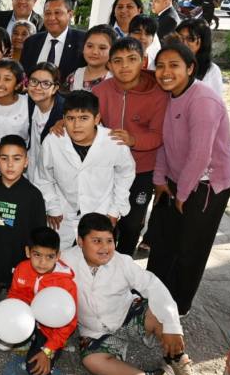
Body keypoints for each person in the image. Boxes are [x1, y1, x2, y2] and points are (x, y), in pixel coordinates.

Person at [147, 43, 230, 317]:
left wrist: (183, 194)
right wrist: (160, 179)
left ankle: (177, 307)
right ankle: (150, 296)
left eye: (174, 65)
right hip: (176, 180)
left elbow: (200, 155)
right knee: (163, 242)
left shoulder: (203, 100)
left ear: (190, 68)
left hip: (206, 185)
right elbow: (163, 141)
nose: (165, 72)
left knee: (190, 249)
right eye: (160, 66)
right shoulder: (168, 95)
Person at [62, 213, 202, 375]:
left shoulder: (122, 262)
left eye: (109, 240)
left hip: (128, 315)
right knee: (92, 361)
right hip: (94, 331)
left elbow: (153, 285)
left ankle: (177, 359)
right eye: (96, 241)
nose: (105, 247)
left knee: (160, 316)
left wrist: (172, 327)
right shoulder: (65, 261)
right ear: (80, 242)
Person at [92, 37, 168, 256]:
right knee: (106, 219)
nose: (124, 66)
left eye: (132, 59)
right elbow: (87, 118)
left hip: (142, 170)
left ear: (143, 61)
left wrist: (134, 140)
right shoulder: (100, 91)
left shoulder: (158, 93)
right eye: (117, 61)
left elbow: (159, 135)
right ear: (109, 65)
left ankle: (125, 263)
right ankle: (102, 261)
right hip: (109, 168)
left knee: (132, 224)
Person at [34, 90, 135, 249]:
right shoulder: (53, 141)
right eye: (70, 118)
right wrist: (52, 207)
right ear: (63, 119)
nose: (76, 125)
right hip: (64, 214)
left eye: (83, 118)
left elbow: (126, 174)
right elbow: (43, 178)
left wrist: (115, 209)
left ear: (97, 118)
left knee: (97, 256)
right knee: (60, 257)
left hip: (102, 210)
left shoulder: (113, 142)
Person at [0, 135, 46, 300]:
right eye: (4, 158)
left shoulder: (33, 196)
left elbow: (39, 236)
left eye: (17, 158)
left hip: (20, 271)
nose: (10, 164)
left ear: (26, 162)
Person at [6, 227, 77, 375]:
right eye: (37, 255)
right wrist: (11, 318)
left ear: (58, 256)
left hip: (50, 330)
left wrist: (48, 350)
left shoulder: (66, 284)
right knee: (4, 324)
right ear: (28, 252)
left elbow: (69, 322)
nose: (42, 262)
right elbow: (14, 294)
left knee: (35, 370)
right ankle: (27, 336)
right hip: (28, 318)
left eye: (50, 256)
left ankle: (39, 341)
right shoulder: (21, 268)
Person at [20, 0, 86, 86]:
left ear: (70, 14)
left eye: (57, 13)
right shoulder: (31, 42)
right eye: (48, 13)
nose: (51, 18)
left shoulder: (83, 41)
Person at [25, 62, 65, 182]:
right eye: (34, 81)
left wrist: (65, 121)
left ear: (55, 88)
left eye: (46, 84)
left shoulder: (66, 112)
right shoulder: (26, 102)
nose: (37, 87)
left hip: (55, 177)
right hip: (30, 171)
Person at [175, 18, 224, 97]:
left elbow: (216, 101)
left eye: (190, 39)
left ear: (203, 42)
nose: (183, 43)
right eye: (180, 38)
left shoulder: (211, 71)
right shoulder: (166, 64)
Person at [65, 24, 117, 91]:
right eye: (90, 46)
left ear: (113, 51)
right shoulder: (73, 77)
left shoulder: (117, 80)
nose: (95, 52)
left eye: (102, 48)